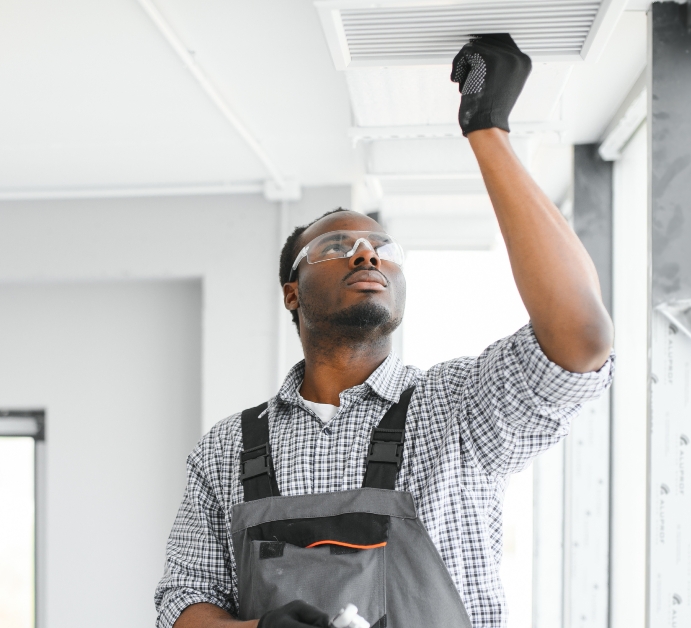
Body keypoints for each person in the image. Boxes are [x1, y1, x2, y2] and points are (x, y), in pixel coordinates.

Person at [155, 34, 614, 628]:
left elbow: (579, 335)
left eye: (382, 249)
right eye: (338, 246)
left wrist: (487, 129)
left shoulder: (458, 410)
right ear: (292, 293)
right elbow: (181, 604)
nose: (367, 255)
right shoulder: (225, 452)